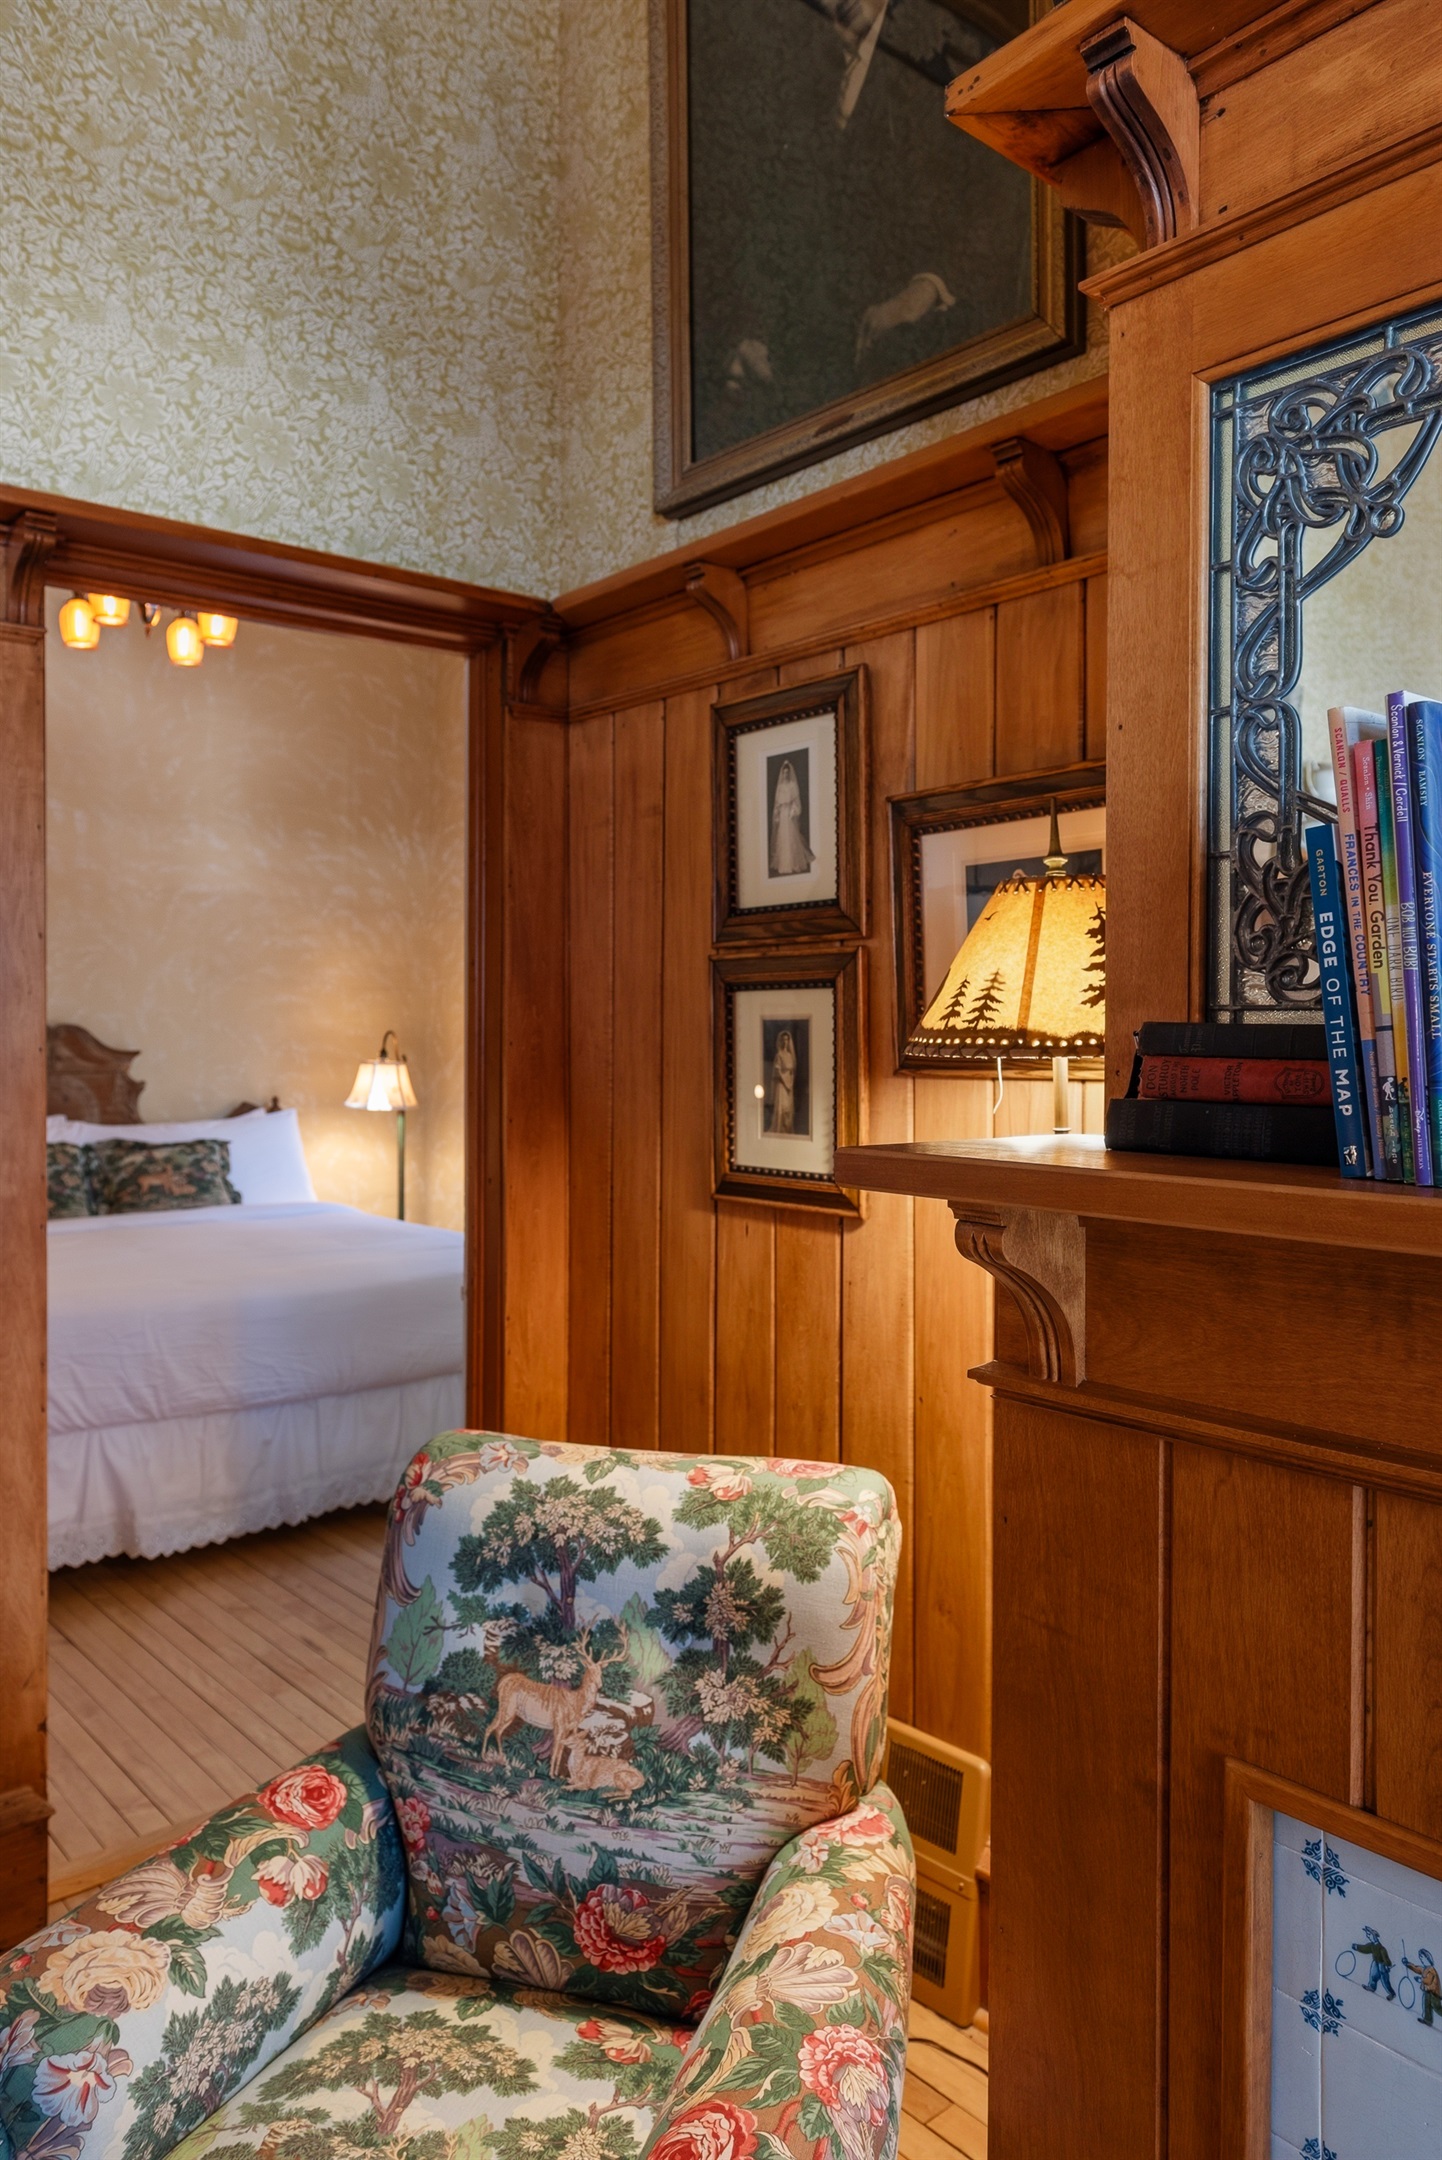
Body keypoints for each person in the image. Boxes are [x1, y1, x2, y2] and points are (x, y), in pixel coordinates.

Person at [770, 760, 814, 876]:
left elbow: (795, 801)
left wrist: (793, 811)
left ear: (789, 773)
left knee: (791, 837)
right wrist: (777, 813)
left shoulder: (792, 785)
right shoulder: (779, 787)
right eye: (784, 773)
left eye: (787, 773)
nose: (785, 775)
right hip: (783, 813)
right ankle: (783, 865)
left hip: (789, 813)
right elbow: (777, 803)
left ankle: (793, 863)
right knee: (782, 837)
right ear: (782, 774)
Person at [1352, 1925, 1396, 1999]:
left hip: (1382, 1964)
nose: (1368, 1936)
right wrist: (1356, 1947)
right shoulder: (1371, 1945)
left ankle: (1392, 1993)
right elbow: (1365, 1948)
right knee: (1373, 1975)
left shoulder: (1381, 1948)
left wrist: (1387, 1965)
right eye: (1367, 1935)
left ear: (1374, 1936)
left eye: (1369, 1935)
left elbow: (1385, 1957)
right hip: (1375, 1962)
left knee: (1385, 1980)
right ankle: (1372, 1987)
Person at [1404, 1947, 1442, 2025]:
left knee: (1436, 2008)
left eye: (1422, 1958)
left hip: (1434, 1993)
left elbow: (1428, 1980)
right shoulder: (1425, 1969)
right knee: (1426, 2005)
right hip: (1427, 1991)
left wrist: (1420, 1980)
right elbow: (1417, 1969)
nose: (1421, 1959)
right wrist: (1407, 1964)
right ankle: (1428, 2020)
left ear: (1428, 1959)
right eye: (1420, 1958)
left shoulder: (1431, 1970)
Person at [770, 1028, 798, 1134]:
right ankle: (780, 1129)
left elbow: (791, 1072)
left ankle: (787, 1129)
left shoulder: (790, 1056)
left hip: (789, 1084)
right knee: (782, 1107)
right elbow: (778, 1071)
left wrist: (790, 1083)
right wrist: (786, 1083)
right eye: (783, 1040)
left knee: (788, 1109)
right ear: (780, 1041)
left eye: (787, 1040)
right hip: (782, 1085)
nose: (785, 1042)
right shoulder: (779, 1055)